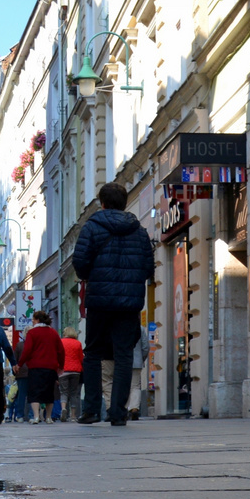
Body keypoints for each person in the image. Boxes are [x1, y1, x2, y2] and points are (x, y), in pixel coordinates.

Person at [73, 182, 155, 427]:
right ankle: (118, 412)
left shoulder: (92, 228)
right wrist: (129, 283)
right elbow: (148, 268)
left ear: (102, 203)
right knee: (124, 355)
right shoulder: (139, 231)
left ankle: (92, 410)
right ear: (124, 202)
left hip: (99, 299)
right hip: (129, 303)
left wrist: (94, 276)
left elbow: (80, 262)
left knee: (93, 353)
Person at [18, 311, 62, 423]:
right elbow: (61, 350)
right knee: (49, 391)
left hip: (35, 366)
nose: (32, 321)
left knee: (34, 391)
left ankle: (36, 416)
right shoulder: (54, 333)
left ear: (38, 320)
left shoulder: (32, 333)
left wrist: (20, 364)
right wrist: (61, 366)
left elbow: (27, 350)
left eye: (33, 319)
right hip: (51, 367)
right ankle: (48, 417)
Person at [58, 327, 84, 423]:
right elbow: (81, 358)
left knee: (64, 392)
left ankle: (64, 408)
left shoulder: (61, 342)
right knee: (74, 393)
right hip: (75, 371)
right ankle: (73, 416)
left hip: (63, 370)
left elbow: (58, 356)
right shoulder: (78, 343)